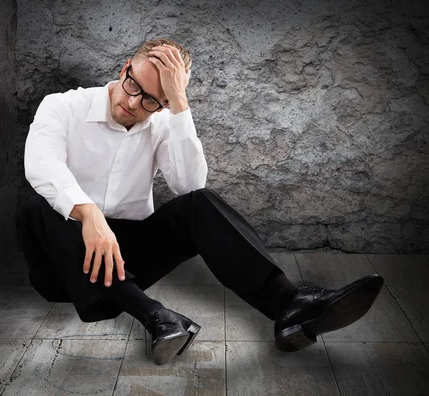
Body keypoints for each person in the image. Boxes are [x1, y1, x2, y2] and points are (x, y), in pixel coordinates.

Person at [20, 38, 384, 365]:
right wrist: (89, 216)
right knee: (38, 208)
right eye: (132, 85)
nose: (132, 101)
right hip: (62, 268)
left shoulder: (163, 121)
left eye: (150, 99)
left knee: (201, 204)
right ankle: (155, 316)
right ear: (124, 69)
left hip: (127, 258)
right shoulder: (63, 106)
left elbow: (189, 185)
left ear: (163, 104)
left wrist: (179, 105)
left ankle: (290, 307)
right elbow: (40, 164)